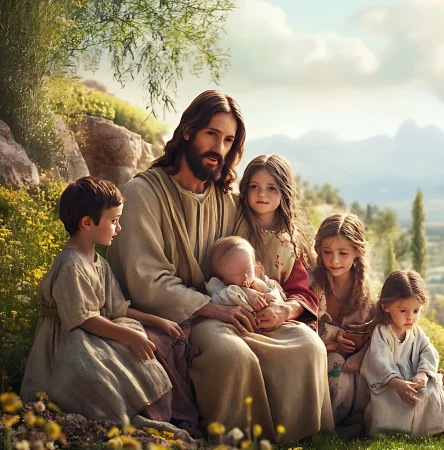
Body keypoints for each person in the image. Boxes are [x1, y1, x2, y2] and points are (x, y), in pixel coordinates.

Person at [107, 90, 333, 442]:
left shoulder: (227, 200)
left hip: (231, 304)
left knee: (304, 342)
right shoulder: (144, 194)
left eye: (228, 140)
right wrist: (213, 309)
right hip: (184, 315)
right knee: (233, 357)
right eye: (212, 134)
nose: (219, 148)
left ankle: (303, 439)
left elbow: (253, 262)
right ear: (187, 131)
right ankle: (240, 443)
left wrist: (274, 305)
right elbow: (146, 281)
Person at [20, 176, 175, 427]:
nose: (119, 228)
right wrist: (130, 336)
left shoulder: (98, 262)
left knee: (141, 348)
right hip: (68, 340)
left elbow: (116, 308)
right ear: (87, 222)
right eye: (114, 221)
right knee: (97, 374)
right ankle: (120, 416)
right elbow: (84, 318)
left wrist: (159, 321)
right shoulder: (71, 264)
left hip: (94, 329)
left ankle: (143, 410)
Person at [361, 270, 444, 438]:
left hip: (414, 381)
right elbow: (379, 361)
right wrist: (397, 383)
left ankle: (436, 429)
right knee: (397, 403)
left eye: (416, 311)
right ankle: (397, 430)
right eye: (403, 311)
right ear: (386, 306)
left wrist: (423, 373)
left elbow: (428, 351)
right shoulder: (383, 332)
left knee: (431, 392)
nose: (410, 317)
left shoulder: (416, 332)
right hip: (390, 386)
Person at [233, 154, 319, 325]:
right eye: (254, 186)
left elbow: (300, 293)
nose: (262, 194)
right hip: (235, 310)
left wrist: (284, 311)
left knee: (309, 345)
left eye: (271, 188)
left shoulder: (290, 242)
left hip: (274, 318)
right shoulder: (235, 224)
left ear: (284, 192)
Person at [312, 214, 374, 435]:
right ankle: (330, 423)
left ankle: (359, 418)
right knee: (335, 362)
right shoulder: (314, 284)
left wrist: (359, 354)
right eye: (327, 252)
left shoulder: (365, 293)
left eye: (343, 253)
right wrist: (335, 337)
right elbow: (306, 323)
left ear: (358, 252)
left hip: (358, 359)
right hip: (321, 355)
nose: (334, 260)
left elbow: (376, 333)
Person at [206, 236, 286, 313]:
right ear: (220, 277)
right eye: (236, 273)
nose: (245, 276)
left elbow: (281, 303)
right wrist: (244, 292)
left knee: (296, 327)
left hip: (267, 323)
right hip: (233, 324)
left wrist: (264, 289)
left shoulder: (263, 281)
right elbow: (218, 300)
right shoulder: (217, 285)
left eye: (248, 270)